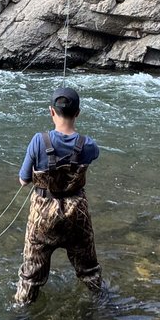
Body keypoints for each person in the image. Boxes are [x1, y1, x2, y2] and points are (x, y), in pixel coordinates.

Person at [14, 85, 102, 306]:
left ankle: (21, 313)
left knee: (31, 276)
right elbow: (93, 155)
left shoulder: (38, 141)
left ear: (51, 111)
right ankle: (100, 304)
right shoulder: (88, 145)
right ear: (78, 113)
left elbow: (24, 180)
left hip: (42, 216)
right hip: (77, 215)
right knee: (89, 269)